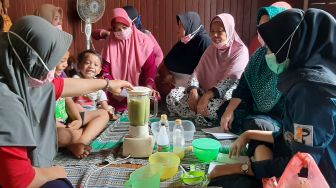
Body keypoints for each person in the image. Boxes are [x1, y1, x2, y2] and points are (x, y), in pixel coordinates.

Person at [209, 8, 336, 187]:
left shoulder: (310, 92)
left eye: (270, 47)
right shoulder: (304, 81)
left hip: (317, 179)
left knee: (224, 181)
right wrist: (248, 135)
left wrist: (243, 168)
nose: (267, 53)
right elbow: (291, 138)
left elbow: (303, 164)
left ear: (288, 47)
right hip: (304, 168)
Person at [0, 16, 132, 188]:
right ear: (32, 63)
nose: (53, 70)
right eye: (50, 64)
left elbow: (62, 85)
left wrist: (108, 84)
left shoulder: (16, 73)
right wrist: (56, 172)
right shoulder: (6, 103)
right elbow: (20, 181)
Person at [166, 13, 249, 126]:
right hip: (203, 93)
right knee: (173, 95)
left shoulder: (240, 51)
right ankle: (200, 113)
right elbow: (197, 72)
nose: (215, 35)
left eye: (220, 31)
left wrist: (207, 96)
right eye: (212, 31)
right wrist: (193, 91)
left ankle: (200, 113)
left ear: (229, 30)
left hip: (225, 98)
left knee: (215, 107)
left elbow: (231, 80)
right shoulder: (212, 49)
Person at [219, 6, 287, 135]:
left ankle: (267, 132)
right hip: (253, 109)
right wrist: (229, 111)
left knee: (257, 124)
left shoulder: (287, 57)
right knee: (224, 111)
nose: (262, 31)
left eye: (267, 26)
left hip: (278, 116)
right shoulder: (258, 55)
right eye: (260, 26)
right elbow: (243, 87)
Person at [99, 8, 158, 112]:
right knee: (103, 96)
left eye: (124, 27)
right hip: (117, 91)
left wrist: (148, 86)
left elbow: (150, 69)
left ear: (130, 24)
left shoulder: (144, 40)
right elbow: (105, 71)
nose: (121, 31)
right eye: (117, 29)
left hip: (139, 87)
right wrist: (115, 88)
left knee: (151, 97)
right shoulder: (110, 42)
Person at [54, 51, 110, 159]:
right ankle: (76, 140)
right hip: (57, 126)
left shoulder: (61, 75)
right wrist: (66, 127)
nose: (66, 65)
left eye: (66, 61)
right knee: (61, 137)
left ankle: (80, 141)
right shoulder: (41, 84)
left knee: (103, 114)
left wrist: (77, 119)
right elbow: (44, 120)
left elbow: (68, 100)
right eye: (62, 61)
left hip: (70, 119)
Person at [156, 11, 212, 98]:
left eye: (180, 26)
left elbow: (205, 74)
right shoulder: (184, 41)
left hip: (190, 86)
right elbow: (166, 62)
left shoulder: (204, 41)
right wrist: (167, 74)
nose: (178, 30)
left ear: (189, 26)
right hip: (171, 80)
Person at [92, 5, 164, 67]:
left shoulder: (145, 35)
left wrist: (150, 70)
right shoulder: (116, 32)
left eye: (125, 27)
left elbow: (159, 55)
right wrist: (107, 33)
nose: (122, 31)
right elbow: (95, 34)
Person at [73, 49, 117, 120]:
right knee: (74, 105)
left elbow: (102, 98)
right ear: (79, 66)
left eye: (96, 65)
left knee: (108, 108)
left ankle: (104, 115)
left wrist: (106, 109)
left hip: (92, 110)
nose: (91, 66)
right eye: (87, 63)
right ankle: (86, 119)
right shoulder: (76, 79)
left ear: (99, 70)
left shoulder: (97, 82)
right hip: (77, 112)